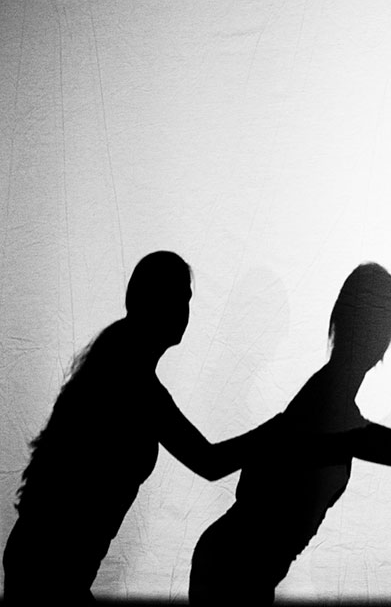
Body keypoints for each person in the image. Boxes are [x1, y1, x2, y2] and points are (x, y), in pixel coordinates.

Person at [188, 263, 391, 605]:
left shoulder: (329, 398)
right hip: (234, 569)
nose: (381, 347)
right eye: (381, 332)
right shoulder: (328, 400)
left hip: (241, 567)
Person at [2, 251, 282, 604]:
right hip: (51, 569)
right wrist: (282, 428)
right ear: (152, 302)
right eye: (177, 297)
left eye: (187, 299)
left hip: (45, 562)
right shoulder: (135, 383)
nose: (184, 310)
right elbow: (209, 462)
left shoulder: (117, 361)